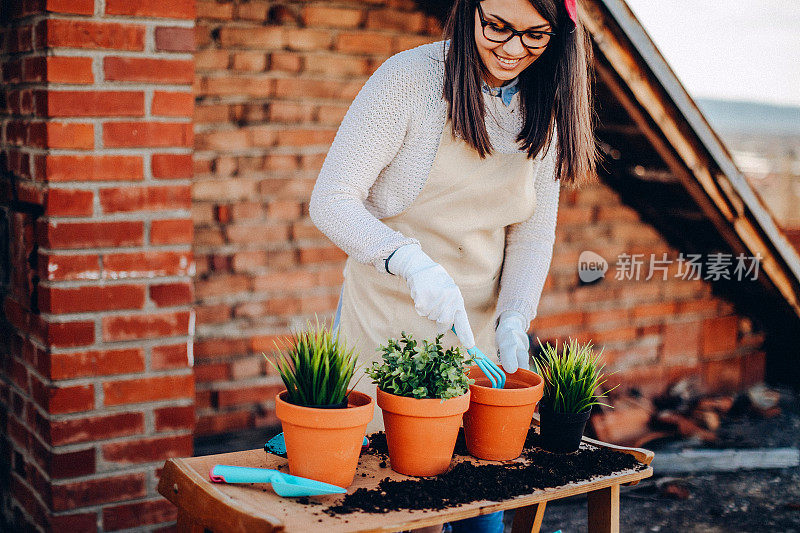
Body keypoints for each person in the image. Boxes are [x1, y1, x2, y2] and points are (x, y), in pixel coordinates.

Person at [310, 0, 597, 531]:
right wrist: (408, 261)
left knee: (477, 507)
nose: (513, 50)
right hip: (385, 323)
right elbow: (331, 200)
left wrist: (515, 318)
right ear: (470, 10)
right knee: (390, 503)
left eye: (536, 36)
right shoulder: (409, 82)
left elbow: (530, 231)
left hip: (478, 337)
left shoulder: (548, 99)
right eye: (497, 28)